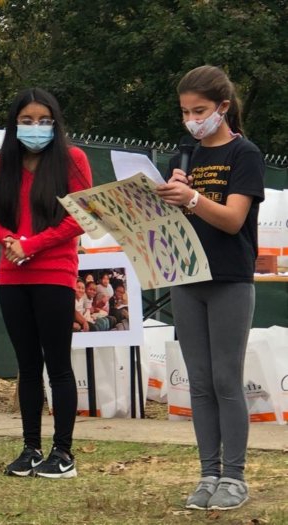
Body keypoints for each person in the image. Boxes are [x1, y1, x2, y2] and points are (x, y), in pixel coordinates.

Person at [156, 65, 265, 511]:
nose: (191, 120)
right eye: (184, 112)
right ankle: (208, 474)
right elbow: (168, 226)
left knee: (225, 379)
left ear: (222, 107)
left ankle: (234, 478)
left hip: (229, 279)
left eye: (199, 110)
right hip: (185, 278)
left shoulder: (245, 154)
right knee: (198, 382)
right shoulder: (183, 159)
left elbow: (234, 219)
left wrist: (195, 201)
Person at [0, 87, 92, 478]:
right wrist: (9, 243)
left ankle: (62, 453)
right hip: (12, 277)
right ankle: (30, 447)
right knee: (27, 367)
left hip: (54, 275)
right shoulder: (0, 166)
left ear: (55, 123)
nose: (35, 128)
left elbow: (79, 218)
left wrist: (32, 244)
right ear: (14, 124)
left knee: (58, 366)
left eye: (44, 121)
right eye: (27, 121)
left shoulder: (73, 160)